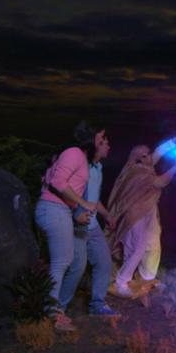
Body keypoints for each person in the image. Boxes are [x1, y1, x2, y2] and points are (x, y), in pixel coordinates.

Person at [106, 133, 176, 297]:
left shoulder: (145, 166)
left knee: (153, 244)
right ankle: (122, 282)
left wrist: (175, 141)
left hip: (148, 211)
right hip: (135, 214)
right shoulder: (136, 172)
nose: (151, 156)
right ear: (139, 159)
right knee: (137, 248)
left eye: (149, 153)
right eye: (146, 155)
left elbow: (158, 152)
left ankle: (148, 278)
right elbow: (159, 182)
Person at [34, 121, 99, 331]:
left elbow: (50, 180)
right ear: (90, 138)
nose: (103, 142)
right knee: (61, 262)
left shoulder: (78, 156)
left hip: (59, 210)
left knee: (66, 260)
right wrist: (83, 203)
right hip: (53, 209)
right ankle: (52, 314)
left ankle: (54, 309)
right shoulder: (74, 153)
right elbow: (57, 182)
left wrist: (74, 214)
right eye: (100, 138)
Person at [58, 127, 120, 317]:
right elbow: (66, 193)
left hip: (93, 226)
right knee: (77, 267)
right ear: (94, 146)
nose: (108, 146)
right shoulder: (81, 167)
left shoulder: (98, 168)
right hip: (77, 225)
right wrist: (74, 215)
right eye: (103, 143)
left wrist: (106, 214)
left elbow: (94, 199)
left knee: (104, 263)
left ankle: (97, 305)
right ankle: (58, 308)